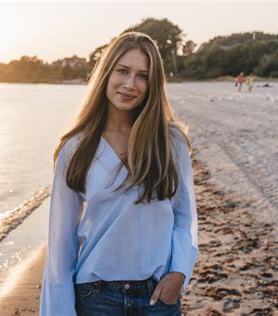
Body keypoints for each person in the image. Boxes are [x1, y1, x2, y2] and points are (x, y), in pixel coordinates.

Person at [39, 32, 198, 316]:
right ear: (106, 73)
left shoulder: (170, 142)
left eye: (142, 76)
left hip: (157, 297)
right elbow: (61, 243)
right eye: (123, 71)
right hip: (95, 298)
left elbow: (184, 215)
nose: (130, 84)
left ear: (153, 84)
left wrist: (180, 272)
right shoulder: (76, 148)